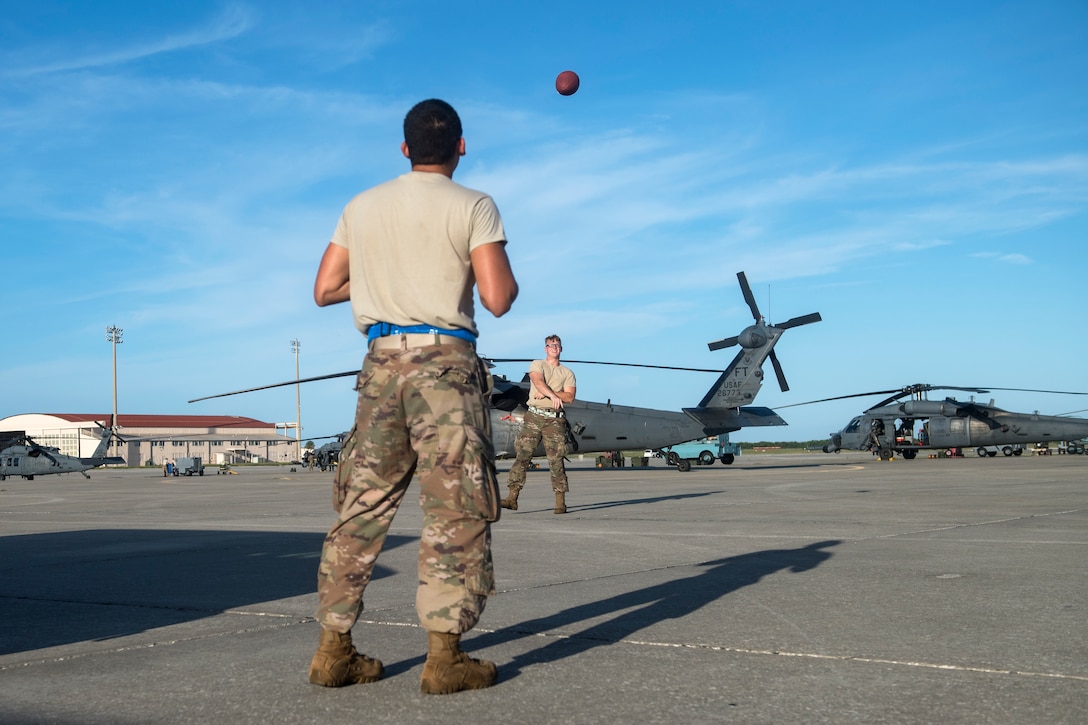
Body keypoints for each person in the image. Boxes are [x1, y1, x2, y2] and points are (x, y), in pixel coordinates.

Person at [308, 99, 518, 695]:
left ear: (404, 149)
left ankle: (333, 651)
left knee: (363, 507)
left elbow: (325, 289)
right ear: (461, 146)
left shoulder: (362, 205)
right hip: (444, 371)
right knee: (454, 510)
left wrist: (378, 277)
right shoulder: (474, 204)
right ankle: (444, 658)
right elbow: (498, 297)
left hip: (378, 368)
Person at [501, 335, 577, 514]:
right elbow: (537, 381)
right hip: (534, 416)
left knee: (556, 460)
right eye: (551, 345)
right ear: (546, 348)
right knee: (523, 456)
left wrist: (548, 394)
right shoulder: (538, 364)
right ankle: (512, 498)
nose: (554, 348)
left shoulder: (567, 373)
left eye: (557, 345)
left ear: (561, 348)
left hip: (555, 419)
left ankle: (560, 502)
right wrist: (554, 396)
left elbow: (570, 397)